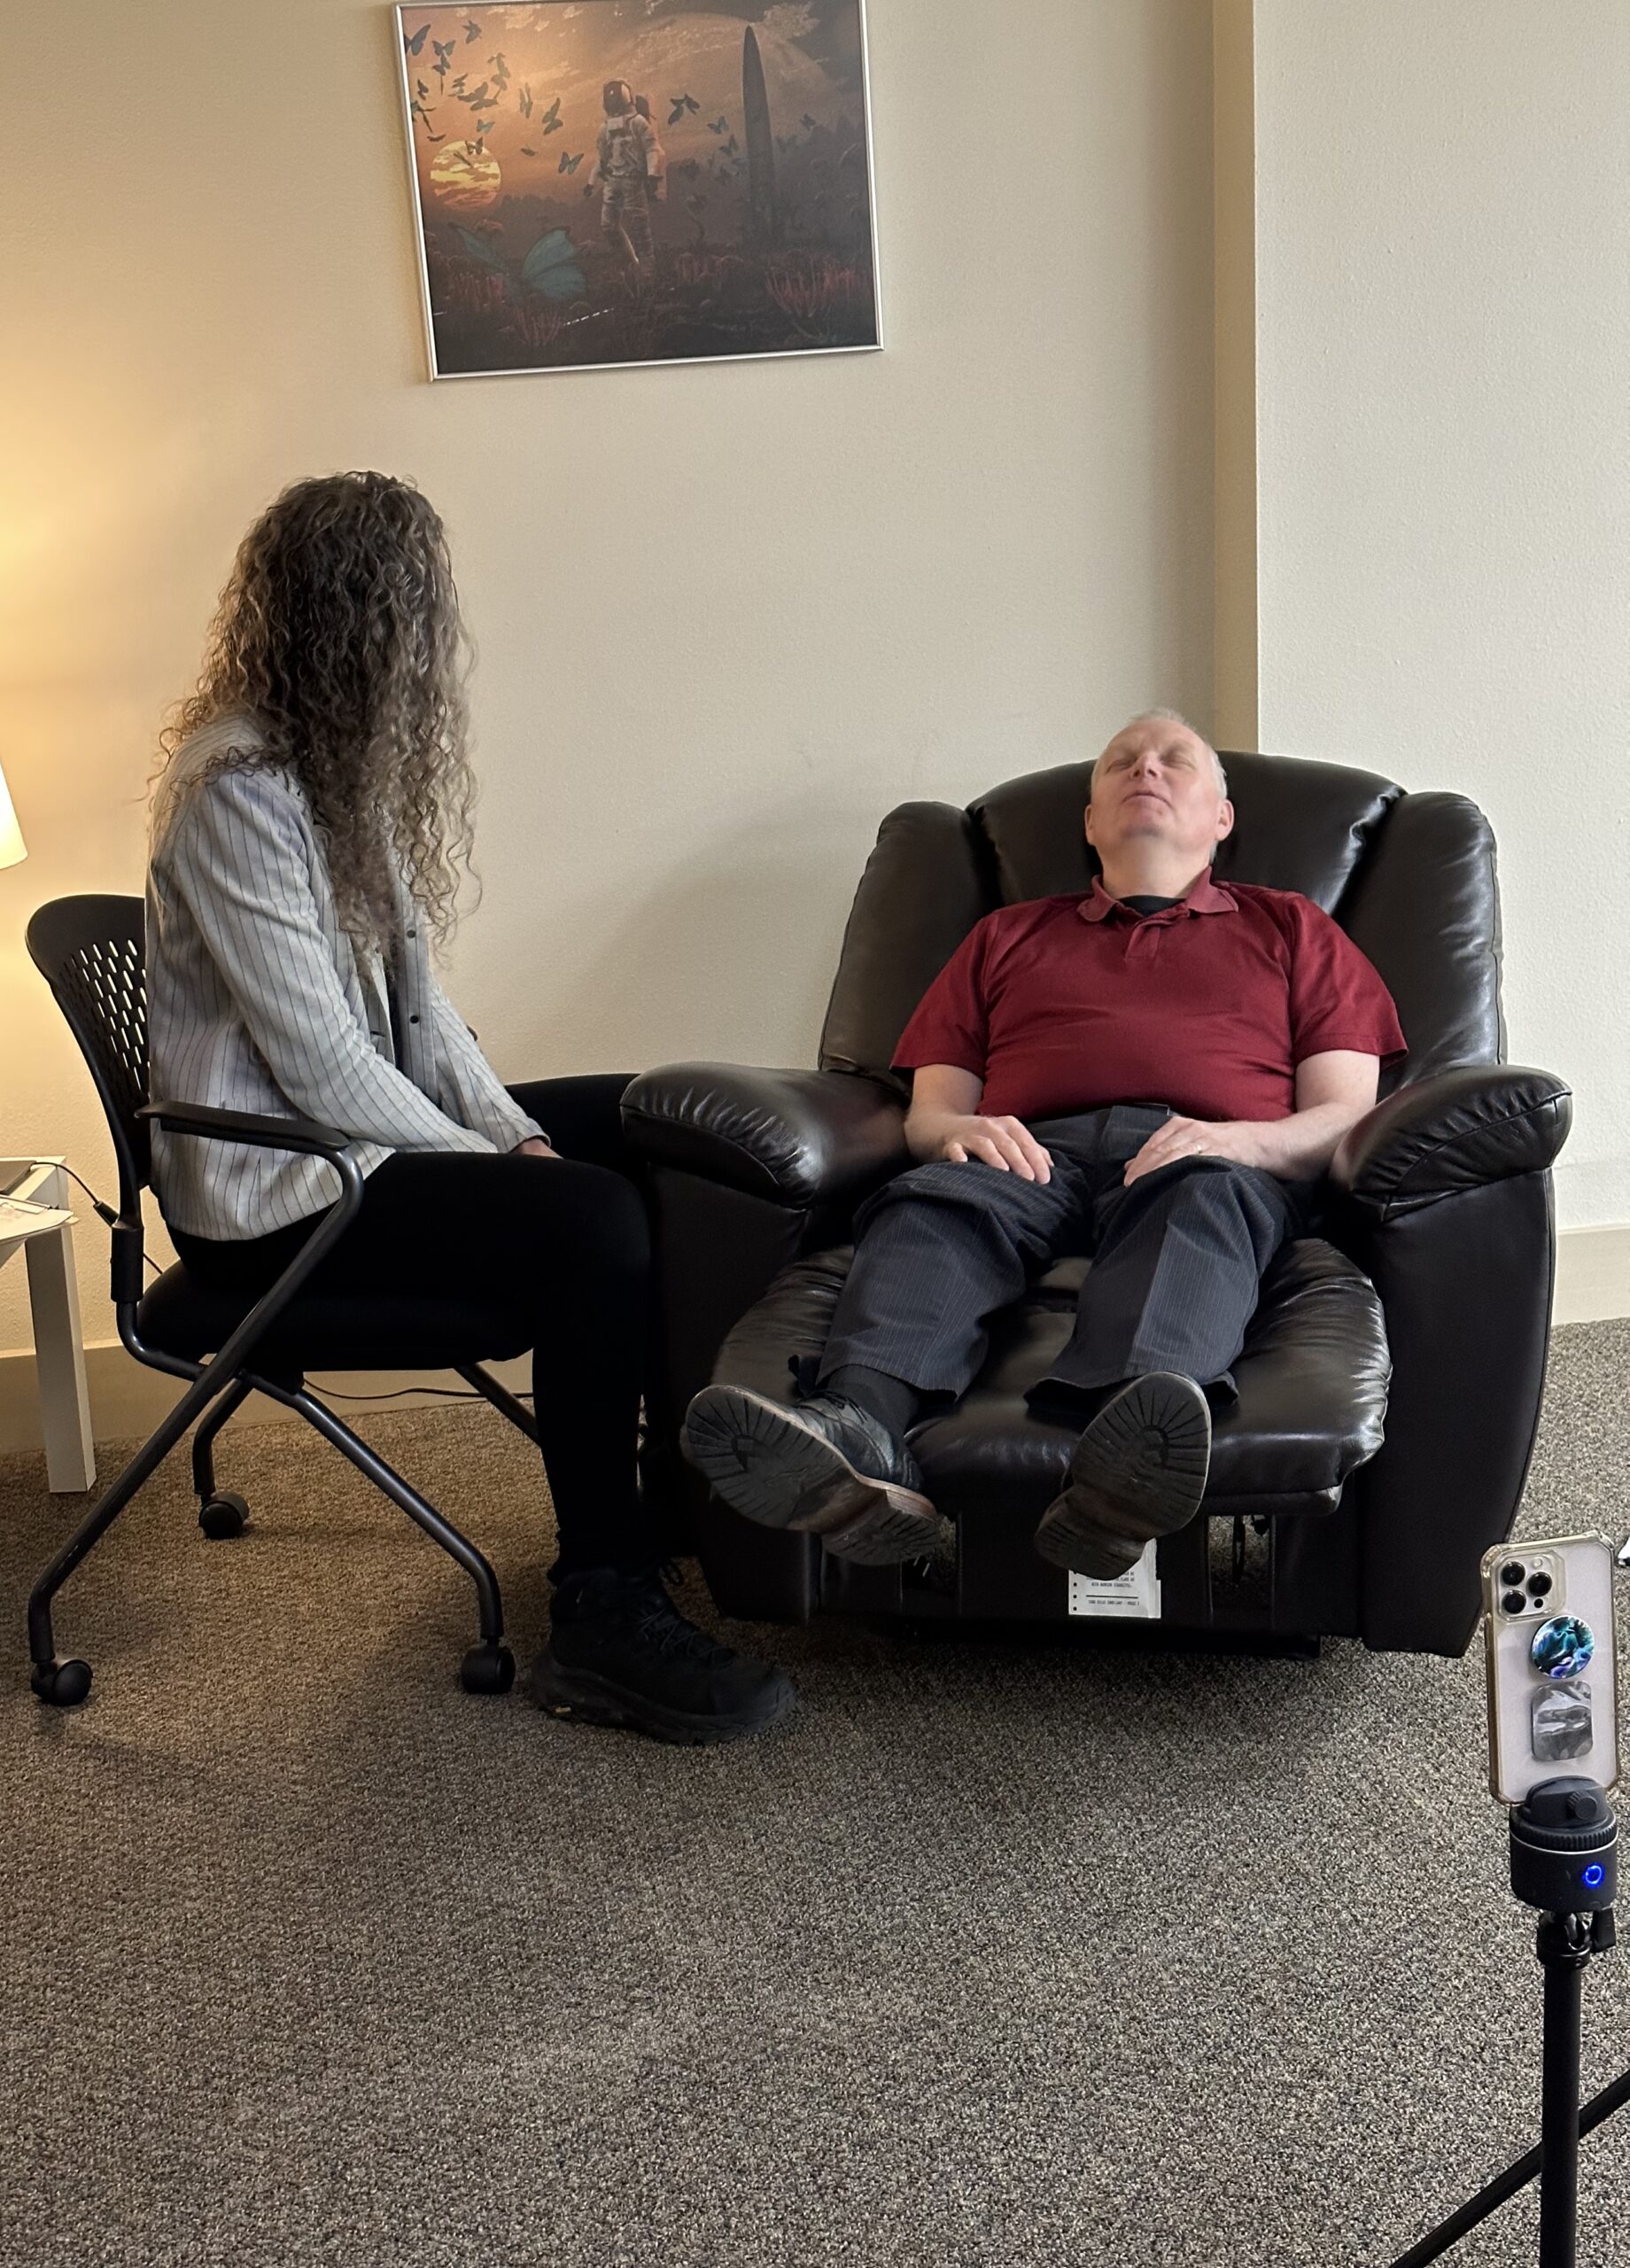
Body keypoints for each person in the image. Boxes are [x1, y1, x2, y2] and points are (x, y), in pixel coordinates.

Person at [148, 470, 791, 1743]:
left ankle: (671, 1493)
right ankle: (601, 1605)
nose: (432, 649)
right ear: (351, 624)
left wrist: (519, 1137)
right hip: (277, 1196)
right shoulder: (238, 791)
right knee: (588, 1222)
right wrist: (515, 1175)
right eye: (415, 618)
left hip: (354, 1152)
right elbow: (322, 1065)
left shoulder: (341, 773)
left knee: (660, 1120)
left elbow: (425, 1019)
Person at [683, 711, 1407, 1580]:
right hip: (1029, 1151)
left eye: (1174, 760)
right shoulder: (1005, 935)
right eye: (1121, 763)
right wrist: (957, 1132)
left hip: (1205, 1155)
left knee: (1200, 1201)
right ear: (1091, 822)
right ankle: (861, 1438)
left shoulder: (1292, 928)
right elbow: (929, 1115)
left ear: (1223, 817)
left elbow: (1344, 1113)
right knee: (936, 1199)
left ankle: (1125, 1467)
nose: (1146, 769)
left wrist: (1240, 1144)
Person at [594, 79, 664, 270]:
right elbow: (603, 155)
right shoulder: (605, 128)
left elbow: (652, 148)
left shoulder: (637, 123)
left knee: (639, 224)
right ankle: (631, 264)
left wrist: (652, 173)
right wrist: (600, 173)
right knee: (608, 225)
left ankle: (648, 268)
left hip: (632, 179)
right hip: (613, 180)